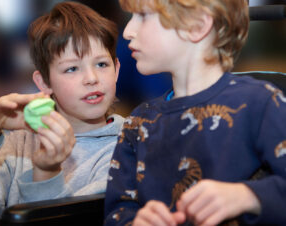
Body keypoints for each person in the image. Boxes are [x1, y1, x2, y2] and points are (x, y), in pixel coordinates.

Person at [104, 0, 286, 225]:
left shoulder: (261, 103)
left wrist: (248, 196)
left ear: (197, 26)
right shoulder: (138, 123)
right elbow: (117, 212)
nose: (129, 31)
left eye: (142, 16)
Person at [0, 1, 124, 222]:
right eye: (72, 68)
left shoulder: (129, 145)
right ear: (44, 82)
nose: (91, 78)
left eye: (101, 64)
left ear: (116, 70)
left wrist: (47, 171)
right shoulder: (19, 141)